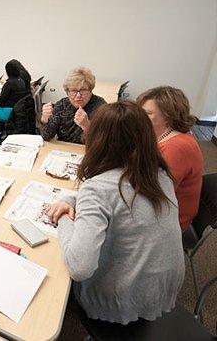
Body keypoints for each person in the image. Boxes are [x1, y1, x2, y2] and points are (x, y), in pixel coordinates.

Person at [44, 101, 184, 325]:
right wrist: (71, 199)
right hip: (162, 290)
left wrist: (62, 216)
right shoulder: (159, 175)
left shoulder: (97, 189)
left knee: (56, 277)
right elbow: (117, 197)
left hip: (121, 302)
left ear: (98, 141)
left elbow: (79, 268)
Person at [137, 86, 203, 232]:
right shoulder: (168, 136)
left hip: (168, 224)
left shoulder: (176, 147)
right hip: (162, 212)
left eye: (147, 113)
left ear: (167, 116)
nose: (139, 118)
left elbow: (152, 197)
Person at [40, 67, 106, 144]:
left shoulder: (101, 108)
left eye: (83, 90)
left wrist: (87, 127)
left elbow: (103, 143)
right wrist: (44, 120)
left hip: (88, 150)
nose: (78, 95)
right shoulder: (62, 105)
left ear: (91, 90)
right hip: (64, 151)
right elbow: (46, 136)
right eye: (74, 91)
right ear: (67, 92)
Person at [0, 59, 33, 136]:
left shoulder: (9, 84)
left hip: (9, 112)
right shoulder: (21, 81)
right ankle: (2, 131)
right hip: (18, 111)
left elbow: (1, 100)